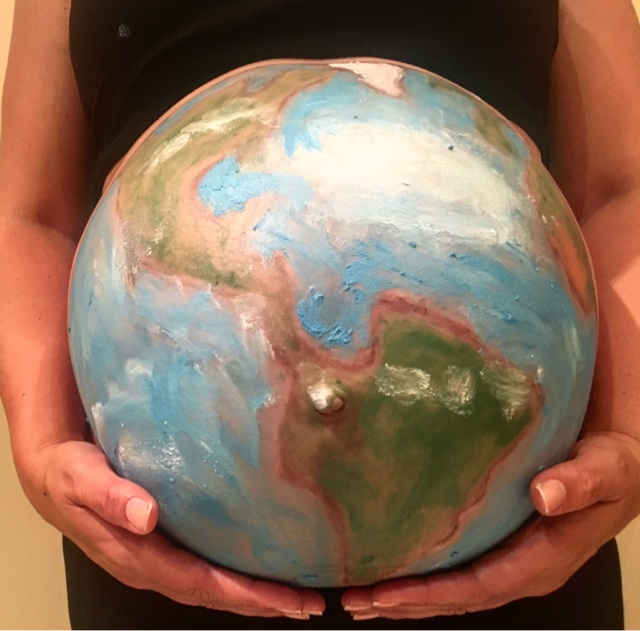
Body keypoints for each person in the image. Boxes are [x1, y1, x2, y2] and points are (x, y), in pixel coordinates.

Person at [0, 0, 639, 628]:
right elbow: (32, 215)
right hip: (157, 540)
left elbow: (623, 189)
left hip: (522, 535)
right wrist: (42, 444)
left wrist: (629, 436)